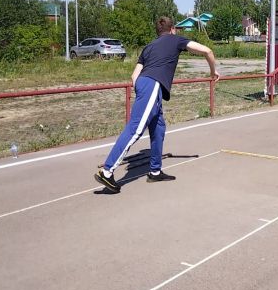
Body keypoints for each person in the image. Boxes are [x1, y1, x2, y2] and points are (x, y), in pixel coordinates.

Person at [94, 17, 220, 193]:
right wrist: (213, 72)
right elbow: (207, 50)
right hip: (152, 85)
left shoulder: (149, 47)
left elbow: (133, 77)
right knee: (136, 128)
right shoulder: (176, 40)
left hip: (146, 85)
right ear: (173, 29)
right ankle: (107, 171)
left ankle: (155, 170)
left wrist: (142, 90)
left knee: (158, 127)